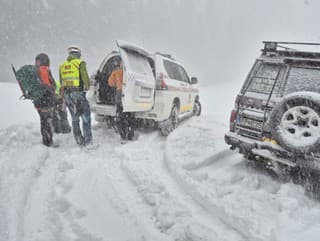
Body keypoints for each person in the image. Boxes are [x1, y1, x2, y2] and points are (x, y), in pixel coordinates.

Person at [59, 46, 92, 146]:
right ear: (78, 54)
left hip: (67, 95)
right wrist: (87, 86)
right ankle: (88, 141)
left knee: (74, 118)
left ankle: (78, 140)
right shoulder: (80, 63)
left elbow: (61, 82)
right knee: (86, 117)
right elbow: (85, 79)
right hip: (78, 94)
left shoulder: (62, 66)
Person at [107, 60, 135, 142]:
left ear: (120, 64)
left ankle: (123, 136)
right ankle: (130, 135)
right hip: (130, 94)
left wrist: (117, 81)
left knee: (121, 116)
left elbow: (110, 83)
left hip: (120, 94)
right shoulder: (132, 72)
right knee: (130, 115)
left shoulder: (117, 71)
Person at [34, 53, 56, 147]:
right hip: (45, 101)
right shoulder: (43, 70)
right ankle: (48, 143)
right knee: (47, 122)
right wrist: (52, 90)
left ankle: (46, 141)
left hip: (38, 101)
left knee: (43, 121)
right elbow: (47, 86)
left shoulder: (36, 70)